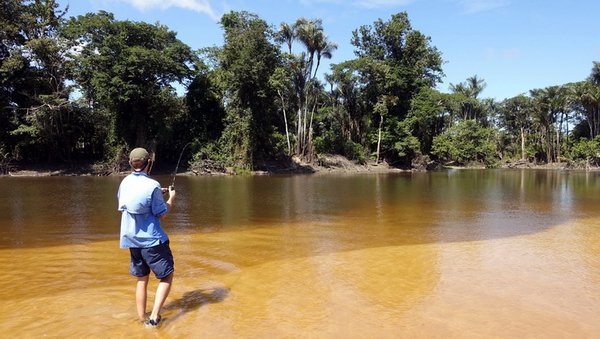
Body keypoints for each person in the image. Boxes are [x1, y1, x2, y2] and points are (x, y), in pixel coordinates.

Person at [117, 147, 176, 327]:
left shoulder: (124, 183)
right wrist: (171, 197)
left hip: (132, 240)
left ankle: (141, 317)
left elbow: (134, 201)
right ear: (148, 163)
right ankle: (153, 318)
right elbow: (163, 213)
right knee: (167, 276)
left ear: (130, 163)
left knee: (142, 278)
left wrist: (160, 191)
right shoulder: (152, 185)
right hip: (152, 240)